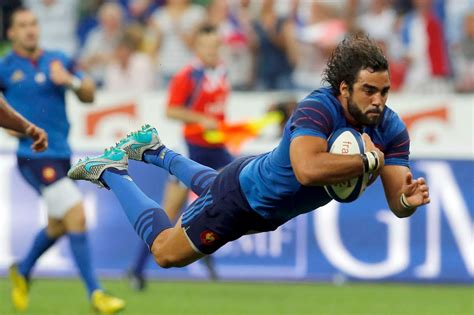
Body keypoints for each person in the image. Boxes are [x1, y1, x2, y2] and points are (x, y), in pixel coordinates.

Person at [68, 34, 430, 271]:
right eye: (369, 90)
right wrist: (365, 161)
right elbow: (306, 170)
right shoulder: (318, 108)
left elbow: (397, 201)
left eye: (384, 91)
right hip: (242, 199)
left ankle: (155, 149)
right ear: (344, 87)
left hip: (262, 199)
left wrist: (406, 202)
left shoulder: (391, 130)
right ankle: (112, 171)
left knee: (214, 182)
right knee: (166, 253)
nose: (379, 101)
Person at [0, 7, 125, 313]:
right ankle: (96, 293)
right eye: (23, 25)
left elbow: (90, 94)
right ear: (11, 33)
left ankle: (24, 270)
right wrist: (21, 129)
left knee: (59, 225)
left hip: (62, 153)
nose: (30, 30)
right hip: (32, 155)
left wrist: (69, 80)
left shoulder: (58, 59)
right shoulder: (5, 68)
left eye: (33, 24)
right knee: (76, 214)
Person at [127, 24, 233, 290]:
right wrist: (201, 119)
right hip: (193, 149)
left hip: (217, 148)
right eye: (206, 46)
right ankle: (137, 269)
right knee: (169, 211)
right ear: (197, 47)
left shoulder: (222, 72)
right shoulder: (188, 75)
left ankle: (205, 252)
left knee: (232, 197)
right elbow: (171, 110)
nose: (211, 51)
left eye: (214, 45)